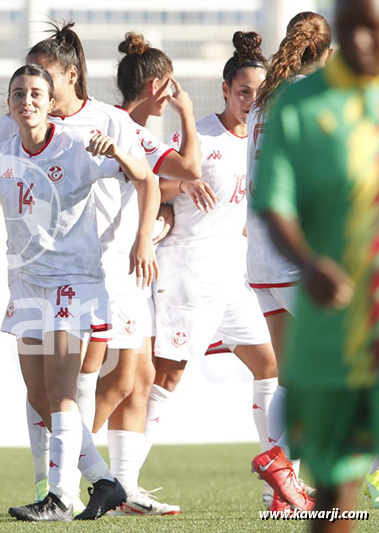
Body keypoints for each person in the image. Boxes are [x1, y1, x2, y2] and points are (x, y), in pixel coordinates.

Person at [0, 22, 159, 513]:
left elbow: (147, 176)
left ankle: (60, 496)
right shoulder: (4, 152)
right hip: (27, 284)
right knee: (40, 396)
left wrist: (142, 232)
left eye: (35, 92)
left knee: (63, 389)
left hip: (74, 284)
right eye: (18, 94)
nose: (26, 100)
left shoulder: (79, 143)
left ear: (51, 100)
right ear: (7, 106)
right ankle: (104, 481)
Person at [251, 0, 379, 528]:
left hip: (272, 272)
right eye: (352, 28)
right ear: (332, 40)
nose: (363, 42)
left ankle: (279, 460)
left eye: (372, 28)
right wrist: (312, 263)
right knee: (334, 479)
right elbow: (273, 199)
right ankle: (285, 460)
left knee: (280, 380)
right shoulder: (298, 105)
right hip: (327, 298)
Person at [144, 30, 283, 509]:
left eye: (259, 93)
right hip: (189, 270)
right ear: (226, 90)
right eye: (243, 91)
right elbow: (153, 186)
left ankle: (278, 486)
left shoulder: (267, 140)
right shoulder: (200, 135)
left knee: (270, 366)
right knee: (167, 377)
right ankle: (122, 482)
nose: (251, 100)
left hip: (234, 275)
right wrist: (178, 191)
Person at [90, 32, 209, 516]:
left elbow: (173, 177)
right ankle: (61, 474)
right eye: (171, 86)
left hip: (131, 271)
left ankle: (123, 487)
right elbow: (189, 168)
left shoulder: (137, 133)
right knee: (119, 380)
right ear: (159, 85)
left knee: (137, 378)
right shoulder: (115, 125)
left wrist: (158, 218)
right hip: (107, 267)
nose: (174, 91)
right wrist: (187, 111)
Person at [246, 12, 332, 511]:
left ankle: (280, 492)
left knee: (290, 376)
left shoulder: (264, 101)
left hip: (261, 258)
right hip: (300, 256)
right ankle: (282, 459)